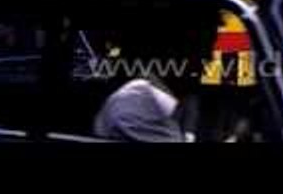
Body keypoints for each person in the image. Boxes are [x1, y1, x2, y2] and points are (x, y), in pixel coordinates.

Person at [93, 11, 222, 142]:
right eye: (204, 47)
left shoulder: (162, 100)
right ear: (176, 48)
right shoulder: (137, 104)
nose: (210, 59)